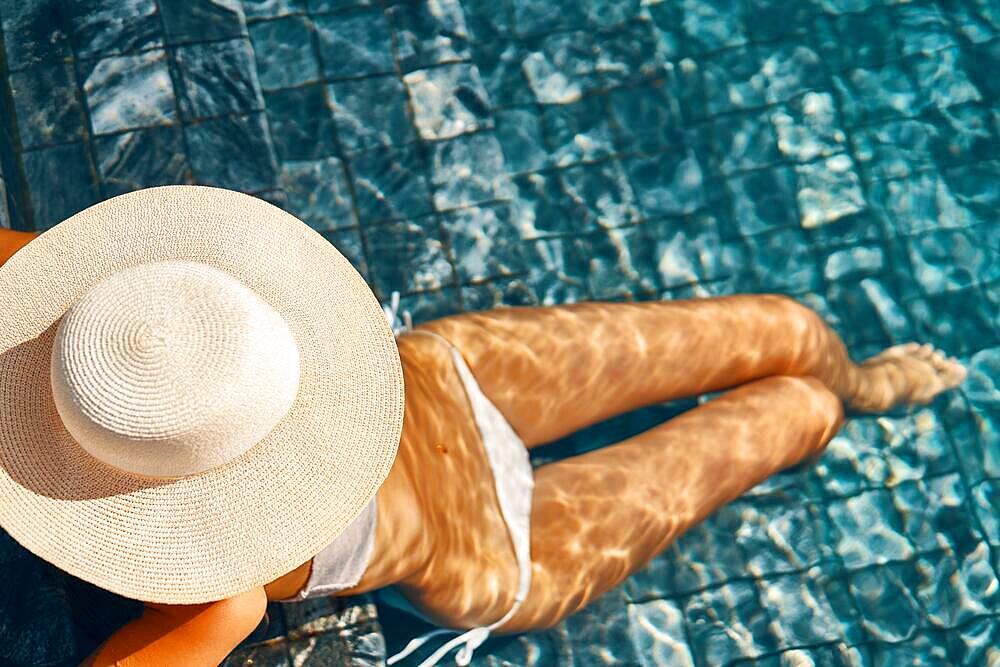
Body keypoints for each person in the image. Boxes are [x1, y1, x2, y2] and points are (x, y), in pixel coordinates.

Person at [0, 187, 965, 667]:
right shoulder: (199, 556)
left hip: (442, 382)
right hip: (486, 543)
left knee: (792, 333)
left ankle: (867, 385)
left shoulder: (111, 333)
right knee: (801, 409)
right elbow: (235, 612)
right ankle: (854, 395)